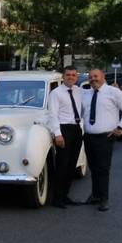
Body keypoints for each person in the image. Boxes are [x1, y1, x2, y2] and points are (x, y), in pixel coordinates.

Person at [81, 68, 122, 212]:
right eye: (91, 77)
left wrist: (120, 127)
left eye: (96, 76)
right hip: (89, 137)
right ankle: (96, 195)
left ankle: (104, 199)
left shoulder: (113, 92)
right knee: (93, 168)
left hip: (105, 137)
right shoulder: (86, 94)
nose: (93, 79)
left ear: (103, 77)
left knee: (103, 169)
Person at [47, 66, 84, 208]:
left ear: (76, 77)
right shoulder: (56, 93)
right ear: (63, 77)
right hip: (63, 130)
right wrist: (58, 134)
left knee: (72, 165)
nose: (71, 77)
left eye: (74, 75)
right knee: (62, 165)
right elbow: (53, 115)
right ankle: (57, 198)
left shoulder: (79, 91)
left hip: (76, 129)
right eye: (68, 75)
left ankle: (65, 195)